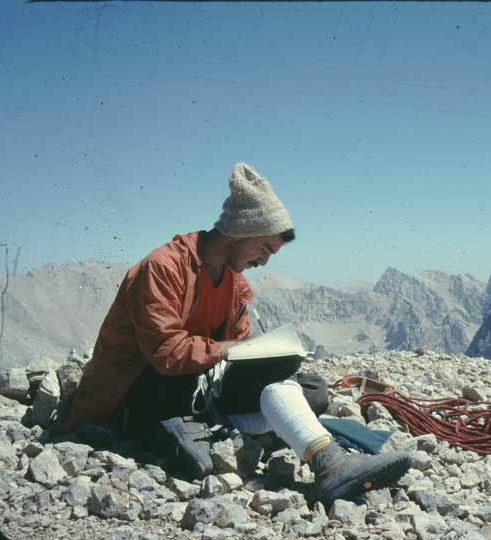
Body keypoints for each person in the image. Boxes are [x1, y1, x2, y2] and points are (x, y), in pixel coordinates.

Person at [64, 162, 410, 505]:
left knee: (314, 391)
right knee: (273, 394)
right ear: (240, 233)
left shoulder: (234, 282)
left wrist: (263, 357)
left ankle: (292, 447)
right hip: (142, 389)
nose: (264, 262)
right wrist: (230, 350)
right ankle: (324, 460)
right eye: (264, 249)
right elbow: (167, 354)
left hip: (195, 385)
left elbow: (240, 347)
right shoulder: (164, 267)